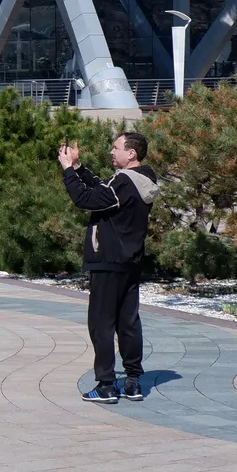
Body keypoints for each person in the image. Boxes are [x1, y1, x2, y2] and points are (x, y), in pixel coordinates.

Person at [59, 132, 160, 404]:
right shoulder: (142, 180)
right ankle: (133, 382)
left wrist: (68, 170)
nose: (111, 151)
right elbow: (101, 192)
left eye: (116, 147)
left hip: (109, 261)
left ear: (132, 154)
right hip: (130, 262)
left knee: (101, 324)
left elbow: (86, 200)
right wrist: (79, 168)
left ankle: (105, 385)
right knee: (128, 322)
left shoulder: (125, 182)